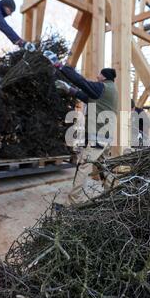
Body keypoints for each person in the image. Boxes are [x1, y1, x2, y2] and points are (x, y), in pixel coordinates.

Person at [51, 61, 118, 205]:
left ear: (104, 77)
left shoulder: (103, 87)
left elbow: (80, 82)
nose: (96, 76)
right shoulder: (110, 90)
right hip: (105, 137)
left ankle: (74, 202)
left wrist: (61, 67)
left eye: (99, 74)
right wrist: (69, 89)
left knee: (83, 166)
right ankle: (112, 195)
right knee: (104, 166)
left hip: (97, 137)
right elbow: (86, 97)